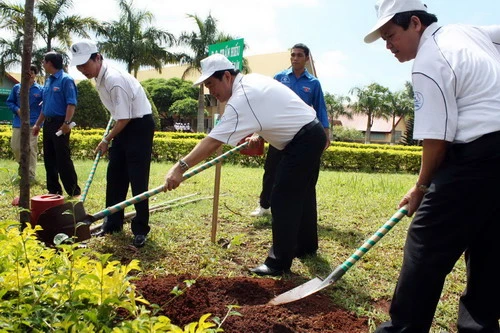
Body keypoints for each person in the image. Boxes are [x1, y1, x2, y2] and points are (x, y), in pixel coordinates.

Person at [364, 0, 500, 332]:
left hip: (478, 155)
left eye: (391, 34)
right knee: (489, 246)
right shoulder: (466, 32)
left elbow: (436, 140)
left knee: (425, 245)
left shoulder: (428, 59)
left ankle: (403, 328)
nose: (388, 45)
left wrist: (421, 187)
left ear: (415, 23)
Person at [164, 53, 326, 276]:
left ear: (227, 76)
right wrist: (260, 132)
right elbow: (271, 112)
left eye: (211, 84)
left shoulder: (242, 97)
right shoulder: (251, 82)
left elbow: (213, 140)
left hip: (303, 139)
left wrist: (180, 167)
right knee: (303, 194)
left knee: (282, 197)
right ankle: (306, 246)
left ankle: (278, 262)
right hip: (310, 132)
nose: (211, 92)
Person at [70, 41, 155, 248]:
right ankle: (112, 224)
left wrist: (106, 139)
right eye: (79, 67)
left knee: (137, 179)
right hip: (124, 124)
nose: (83, 70)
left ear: (97, 57)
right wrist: (111, 136)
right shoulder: (100, 78)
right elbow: (119, 114)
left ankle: (140, 229)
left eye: (85, 65)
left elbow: (125, 118)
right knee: (115, 175)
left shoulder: (114, 79)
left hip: (138, 126)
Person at [250, 43, 330, 217]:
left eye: (299, 55)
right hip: (278, 133)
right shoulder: (279, 77)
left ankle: (298, 209)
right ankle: (264, 206)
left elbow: (320, 109)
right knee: (271, 169)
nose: (295, 58)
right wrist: (258, 131)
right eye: (293, 55)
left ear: (307, 58)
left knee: (302, 173)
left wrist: (326, 133)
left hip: (302, 135)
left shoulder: (313, 83)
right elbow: (265, 103)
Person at [33, 52, 81, 197]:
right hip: (48, 123)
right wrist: (37, 124)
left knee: (62, 158)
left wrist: (66, 123)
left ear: (50, 63)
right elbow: (45, 106)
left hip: (60, 123)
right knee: (49, 158)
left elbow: (71, 103)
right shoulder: (48, 81)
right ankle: (54, 190)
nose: (42, 64)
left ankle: (73, 191)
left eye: (44, 61)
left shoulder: (66, 80)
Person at [7, 64, 43, 183]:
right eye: (27, 72)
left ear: (35, 74)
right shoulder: (17, 88)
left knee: (31, 148)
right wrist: (17, 110)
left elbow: (44, 106)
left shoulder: (40, 90)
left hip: (33, 123)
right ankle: (22, 167)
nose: (30, 74)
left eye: (32, 72)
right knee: (16, 147)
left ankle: (30, 174)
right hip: (18, 122)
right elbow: (10, 102)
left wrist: (40, 122)